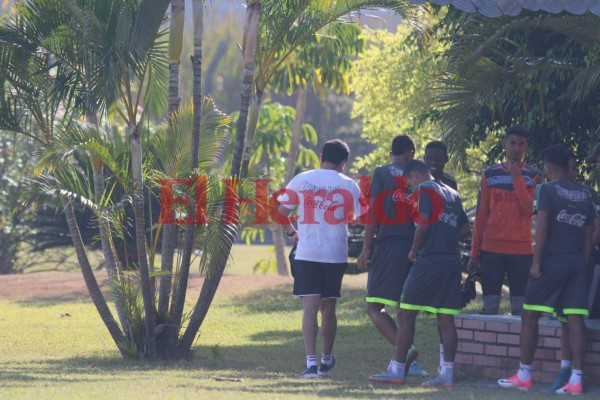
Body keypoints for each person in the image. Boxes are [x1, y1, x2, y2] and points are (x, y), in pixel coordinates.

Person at [498, 145, 596, 395]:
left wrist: (536, 261)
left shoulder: (547, 189)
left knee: (529, 315)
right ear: (568, 166)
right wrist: (582, 263)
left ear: (549, 168)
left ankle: (524, 374)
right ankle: (576, 380)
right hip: (577, 263)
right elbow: (589, 234)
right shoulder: (585, 194)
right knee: (574, 320)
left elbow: (541, 226)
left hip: (552, 261)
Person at [369, 160, 470, 387]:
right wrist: (446, 236)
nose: (410, 189)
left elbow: (423, 225)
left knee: (405, 313)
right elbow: (465, 229)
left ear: (415, 175)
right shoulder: (452, 193)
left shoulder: (424, 189)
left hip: (429, 260)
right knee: (446, 318)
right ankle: (447, 373)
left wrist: (414, 249)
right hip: (452, 262)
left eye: (409, 184)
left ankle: (397, 369)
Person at [277, 139, 366, 378]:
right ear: (343, 163)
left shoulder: (302, 179)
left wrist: (291, 233)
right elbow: (364, 216)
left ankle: (311, 364)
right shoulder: (349, 184)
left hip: (307, 252)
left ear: (320, 156)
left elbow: (280, 212)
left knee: (309, 308)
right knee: (329, 308)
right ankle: (327, 361)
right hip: (335, 254)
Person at [356, 134, 421, 377]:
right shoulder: (421, 174)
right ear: (411, 152)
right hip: (417, 246)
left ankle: (407, 351)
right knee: (406, 307)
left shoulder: (382, 172)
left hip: (389, 243)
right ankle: (409, 363)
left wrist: (365, 248)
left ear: (391, 152)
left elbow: (373, 212)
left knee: (374, 306)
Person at [468, 125, 543, 315]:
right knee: (490, 306)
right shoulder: (490, 174)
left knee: (521, 308)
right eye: (512, 143)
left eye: (521, 144)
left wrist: (517, 178)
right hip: (491, 249)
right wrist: (474, 253)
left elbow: (529, 209)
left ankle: (519, 346)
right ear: (505, 144)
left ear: (526, 146)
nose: (516, 148)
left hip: (522, 250)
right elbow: (481, 216)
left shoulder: (535, 176)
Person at [548, 154, 600, 392]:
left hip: (582, 265)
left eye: (573, 167)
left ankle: (577, 377)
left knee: (576, 319)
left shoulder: (588, 193)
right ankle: (565, 371)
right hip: (562, 264)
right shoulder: (553, 192)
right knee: (564, 320)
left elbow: (595, 228)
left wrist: (583, 258)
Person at [424, 139, 459, 373]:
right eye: (430, 158)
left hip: (444, 252)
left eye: (439, 158)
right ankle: (404, 360)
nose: (434, 162)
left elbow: (456, 220)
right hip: (423, 252)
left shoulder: (451, 184)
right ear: (424, 160)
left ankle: (442, 362)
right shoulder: (419, 183)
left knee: (443, 314)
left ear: (446, 159)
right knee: (406, 310)